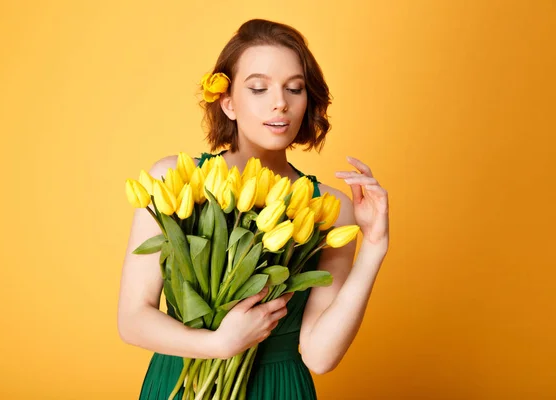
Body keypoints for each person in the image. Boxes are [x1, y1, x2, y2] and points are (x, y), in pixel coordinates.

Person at [118, 18, 390, 400]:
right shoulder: (177, 180)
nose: (280, 102)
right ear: (227, 102)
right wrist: (218, 345)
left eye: (294, 89)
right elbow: (132, 320)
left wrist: (375, 246)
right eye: (259, 88)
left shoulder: (329, 208)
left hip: (277, 388)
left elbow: (319, 356)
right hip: (179, 382)